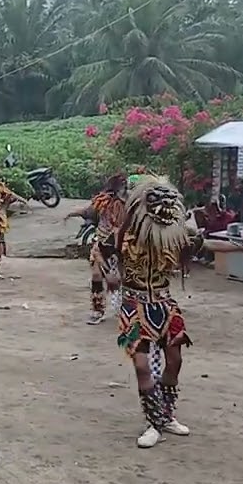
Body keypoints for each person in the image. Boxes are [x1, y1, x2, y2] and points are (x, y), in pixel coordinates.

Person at [114, 175, 194, 449]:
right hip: (134, 307)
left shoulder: (173, 239)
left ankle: (166, 415)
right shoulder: (126, 236)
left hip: (165, 305)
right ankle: (154, 422)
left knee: (175, 361)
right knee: (141, 366)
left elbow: (201, 245)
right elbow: (111, 249)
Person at [64, 174, 128, 324]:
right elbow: (88, 211)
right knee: (96, 276)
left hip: (122, 247)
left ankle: (128, 309)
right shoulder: (102, 202)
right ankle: (97, 310)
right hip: (101, 245)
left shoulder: (129, 205)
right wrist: (72, 213)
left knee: (124, 278)